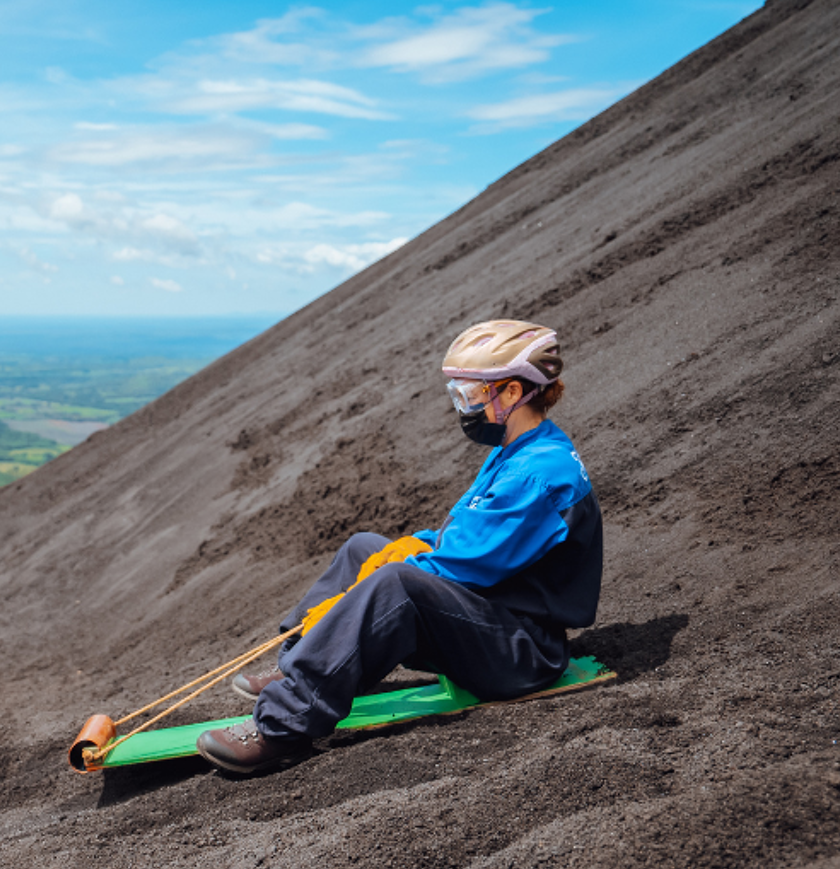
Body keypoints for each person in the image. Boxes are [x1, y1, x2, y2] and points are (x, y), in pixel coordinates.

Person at [198, 319, 602, 774]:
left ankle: (284, 725)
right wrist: (406, 548)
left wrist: (387, 573)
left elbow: (460, 566)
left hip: (523, 651)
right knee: (364, 548)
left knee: (396, 583)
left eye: (472, 394)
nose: (465, 406)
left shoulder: (537, 474)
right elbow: (466, 534)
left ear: (512, 393)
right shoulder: (521, 449)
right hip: (493, 616)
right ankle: (306, 661)